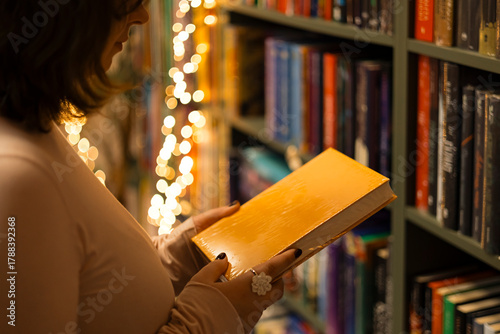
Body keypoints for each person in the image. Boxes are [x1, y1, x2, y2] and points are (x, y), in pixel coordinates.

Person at [0, 0, 301, 332]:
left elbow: (85, 283)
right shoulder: (18, 176)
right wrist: (211, 318)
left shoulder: (33, 125)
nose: (142, 16)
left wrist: (175, 258)